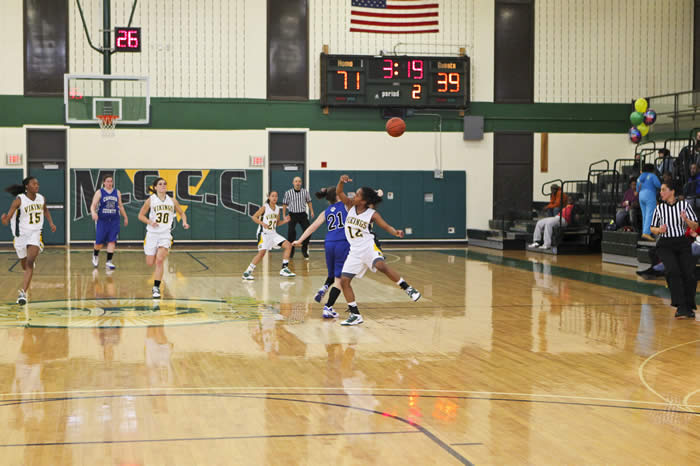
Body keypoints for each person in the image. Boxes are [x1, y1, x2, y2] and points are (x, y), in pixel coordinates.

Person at [335, 175, 421, 326]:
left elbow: (386, 226)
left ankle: (408, 288)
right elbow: (339, 192)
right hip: (354, 251)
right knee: (344, 281)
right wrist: (341, 181)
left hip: (368, 246)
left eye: (357, 195)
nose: (353, 196)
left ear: (363, 201)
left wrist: (395, 232)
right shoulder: (349, 206)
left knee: (380, 265)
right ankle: (355, 315)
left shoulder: (372, 214)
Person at [292, 186, 350, 318]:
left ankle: (324, 288)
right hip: (342, 242)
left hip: (329, 243)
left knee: (332, 274)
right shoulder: (346, 206)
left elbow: (312, 227)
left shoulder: (326, 211)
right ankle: (328, 307)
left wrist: (300, 240)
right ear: (338, 195)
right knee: (340, 279)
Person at [0, 177, 56, 304]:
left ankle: (23, 294)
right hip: (20, 236)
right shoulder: (19, 200)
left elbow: (45, 210)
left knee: (30, 263)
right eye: (34, 184)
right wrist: (4, 220)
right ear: (27, 186)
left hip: (35, 233)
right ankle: (28, 265)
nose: (37, 186)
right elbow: (8, 218)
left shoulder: (41, 198)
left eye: (38, 184)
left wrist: (51, 223)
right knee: (24, 264)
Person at [650, 180, 698, 319]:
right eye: (660, 190)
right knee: (673, 271)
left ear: (672, 191)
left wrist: (686, 220)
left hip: (682, 242)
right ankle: (680, 306)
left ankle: (688, 306)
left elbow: (695, 226)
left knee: (688, 274)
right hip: (665, 244)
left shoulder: (684, 205)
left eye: (663, 190)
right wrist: (659, 230)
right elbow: (652, 228)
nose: (661, 192)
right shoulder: (659, 208)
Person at [137, 177, 189, 299]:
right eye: (160, 184)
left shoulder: (172, 201)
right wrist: (150, 222)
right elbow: (140, 216)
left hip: (165, 234)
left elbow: (182, 213)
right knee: (150, 262)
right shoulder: (151, 200)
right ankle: (156, 252)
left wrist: (184, 222)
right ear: (155, 187)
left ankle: (156, 287)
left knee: (159, 260)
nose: (163, 185)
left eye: (164, 184)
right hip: (152, 234)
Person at [242, 190, 296, 280]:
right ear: (269, 197)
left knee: (288, 245)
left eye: (276, 196)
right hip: (263, 233)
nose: (274, 198)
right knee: (262, 253)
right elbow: (254, 217)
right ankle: (247, 272)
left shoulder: (277, 209)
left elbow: (277, 223)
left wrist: (284, 221)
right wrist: (262, 223)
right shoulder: (265, 207)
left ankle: (284, 269)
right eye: (273, 196)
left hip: (273, 234)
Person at [90, 174, 128, 270]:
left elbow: (120, 206)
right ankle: (95, 255)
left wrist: (125, 217)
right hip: (102, 220)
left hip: (114, 220)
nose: (110, 183)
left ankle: (109, 261)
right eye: (108, 181)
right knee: (99, 242)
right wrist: (93, 213)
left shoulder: (117, 192)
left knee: (112, 241)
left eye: (111, 181)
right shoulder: (99, 192)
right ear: (104, 182)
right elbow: (93, 205)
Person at [282, 177, 315, 259]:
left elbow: (309, 202)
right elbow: (284, 204)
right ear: (293, 183)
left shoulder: (305, 192)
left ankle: (304, 249)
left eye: (299, 181)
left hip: (302, 214)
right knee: (291, 233)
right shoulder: (288, 193)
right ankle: (291, 251)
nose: (297, 183)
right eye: (296, 181)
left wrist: (311, 211)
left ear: (301, 183)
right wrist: (284, 215)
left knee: (308, 231)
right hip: (292, 215)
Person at [637, 163, 661, 241]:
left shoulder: (639, 177)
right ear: (652, 170)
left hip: (641, 195)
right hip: (649, 194)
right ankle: (646, 233)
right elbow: (658, 185)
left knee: (644, 214)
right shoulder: (652, 175)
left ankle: (644, 232)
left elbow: (637, 188)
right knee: (650, 214)